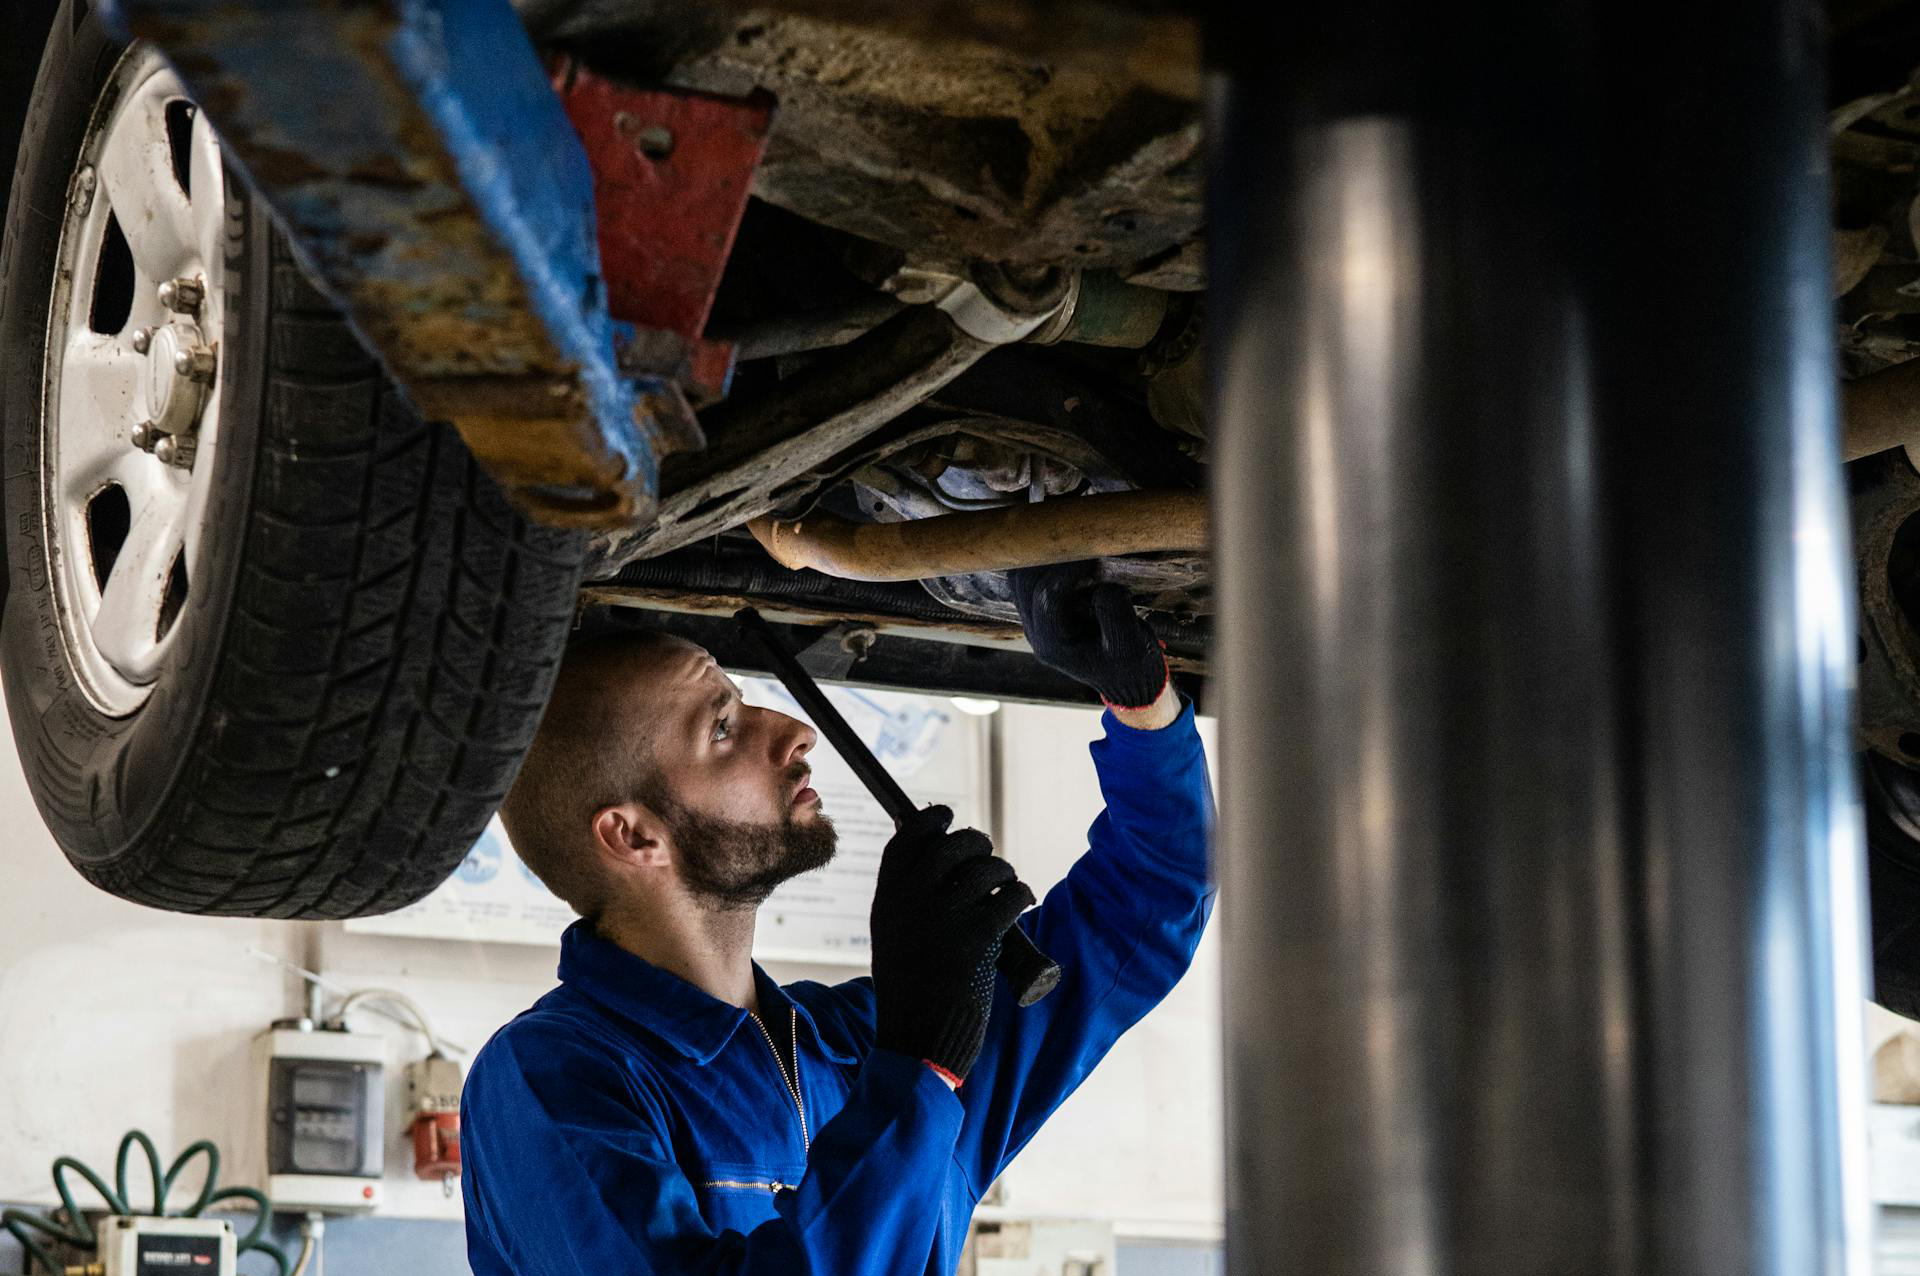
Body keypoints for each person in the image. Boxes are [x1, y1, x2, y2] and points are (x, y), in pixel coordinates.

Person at [460, 561, 1215, 1276]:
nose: (794, 734)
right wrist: (919, 1069)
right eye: (722, 731)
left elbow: (1144, 907)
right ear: (634, 836)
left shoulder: (858, 1044)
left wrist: (1143, 707)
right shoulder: (548, 1080)